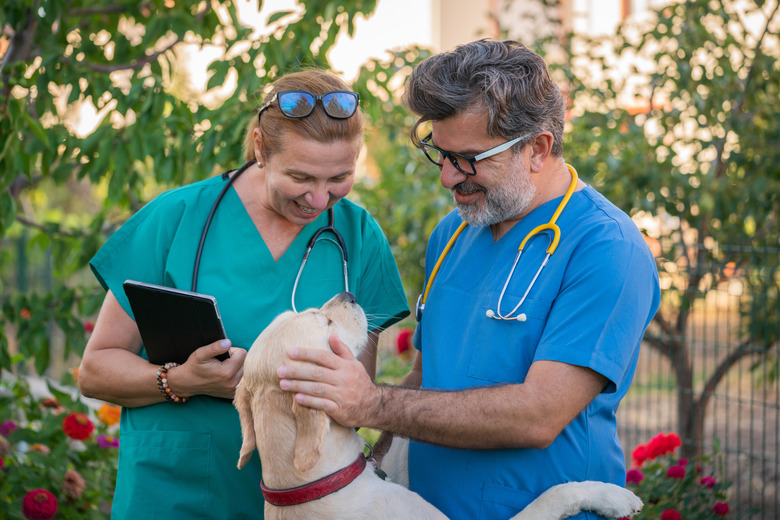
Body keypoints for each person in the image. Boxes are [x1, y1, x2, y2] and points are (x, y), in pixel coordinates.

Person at [276, 40, 661, 519]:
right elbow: (426, 378)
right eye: (441, 154)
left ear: (537, 149)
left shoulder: (606, 247)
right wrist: (373, 470)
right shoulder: (454, 232)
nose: (448, 178)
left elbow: (539, 415)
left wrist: (371, 404)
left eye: (468, 158)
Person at [77, 69, 410, 519]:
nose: (318, 199)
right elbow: (95, 371)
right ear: (259, 147)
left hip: (306, 504)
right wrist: (181, 381)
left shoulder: (360, 238)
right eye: (300, 176)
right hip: (174, 494)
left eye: (339, 177)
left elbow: (353, 399)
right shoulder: (176, 219)